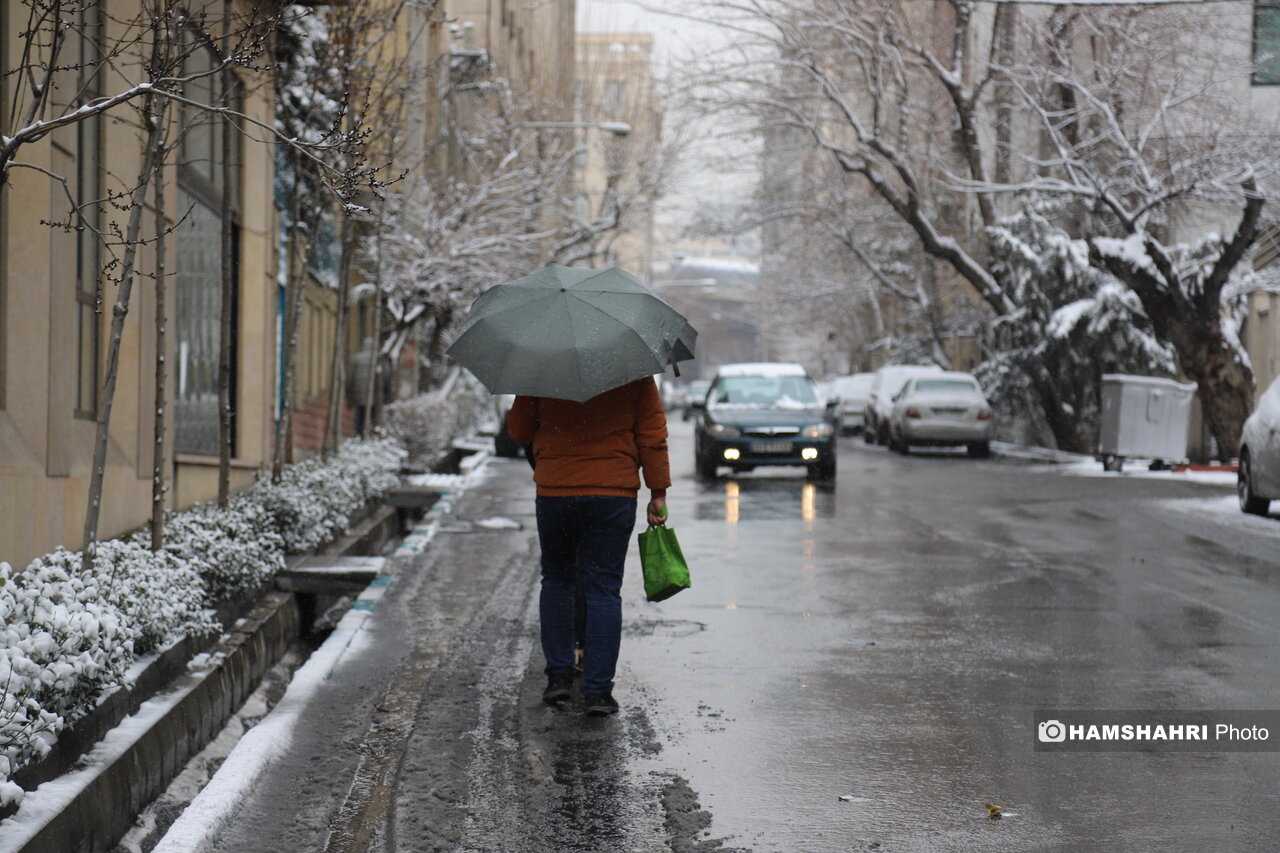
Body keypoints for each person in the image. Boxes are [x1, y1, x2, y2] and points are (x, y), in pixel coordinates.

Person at [507, 377, 671, 717]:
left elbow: (520, 430)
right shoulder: (633, 370)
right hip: (612, 493)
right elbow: (652, 434)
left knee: (557, 580)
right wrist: (658, 491)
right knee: (604, 590)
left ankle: (560, 678)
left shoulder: (543, 367)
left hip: (556, 490)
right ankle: (598, 692)